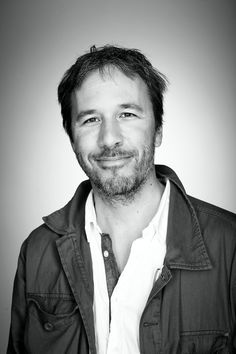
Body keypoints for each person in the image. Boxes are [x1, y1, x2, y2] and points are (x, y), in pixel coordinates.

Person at [7, 45, 236, 354]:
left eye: (127, 114)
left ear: (157, 130)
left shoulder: (230, 244)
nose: (109, 138)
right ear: (71, 137)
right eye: (90, 120)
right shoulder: (37, 251)